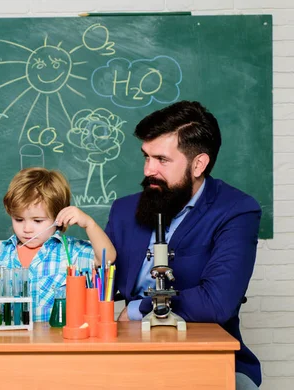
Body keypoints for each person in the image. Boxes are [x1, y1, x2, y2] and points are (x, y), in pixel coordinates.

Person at [105, 101, 261, 389]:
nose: (149, 169)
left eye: (162, 160)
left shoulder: (236, 210)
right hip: (130, 352)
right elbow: (101, 283)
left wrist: (138, 309)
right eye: (146, 157)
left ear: (198, 164)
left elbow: (218, 302)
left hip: (207, 354)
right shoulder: (124, 210)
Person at [0, 167, 116, 322]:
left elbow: (108, 257)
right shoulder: (0, 256)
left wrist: (89, 224)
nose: (27, 229)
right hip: (12, 343)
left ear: (58, 217)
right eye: (19, 219)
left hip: (58, 342)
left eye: (38, 221)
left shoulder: (71, 252)